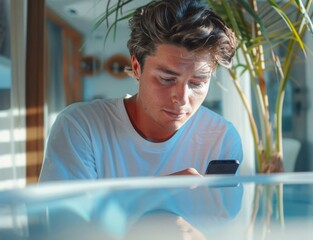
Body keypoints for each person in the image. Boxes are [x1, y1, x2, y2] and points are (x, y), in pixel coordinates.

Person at [39, 0, 242, 181]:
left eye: (197, 83)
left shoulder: (221, 137)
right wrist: (158, 192)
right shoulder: (81, 127)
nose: (181, 99)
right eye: (167, 79)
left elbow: (225, 221)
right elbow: (67, 221)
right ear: (137, 67)